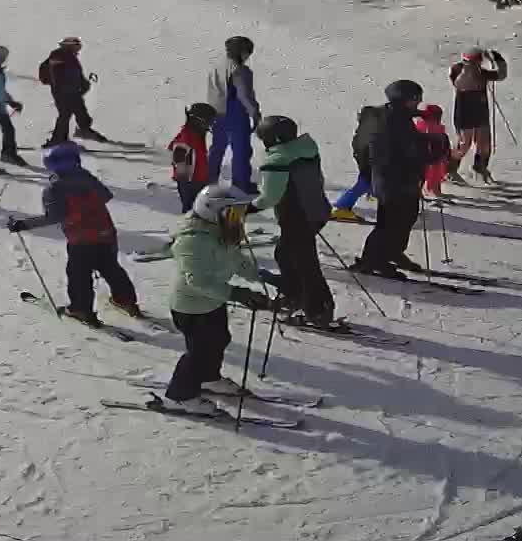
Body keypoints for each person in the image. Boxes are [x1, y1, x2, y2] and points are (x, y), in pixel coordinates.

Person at [153, 185, 269, 410]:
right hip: (190, 307)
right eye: (233, 213)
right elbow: (196, 281)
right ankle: (179, 396)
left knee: (219, 340)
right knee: (199, 353)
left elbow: (236, 260)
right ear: (212, 211)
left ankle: (209, 378)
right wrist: (237, 292)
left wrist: (264, 277)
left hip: (214, 301)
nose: (239, 219)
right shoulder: (193, 240)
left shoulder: (220, 230)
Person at [8, 142, 142, 326]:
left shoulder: (53, 189)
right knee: (112, 268)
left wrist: (23, 224)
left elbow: (54, 217)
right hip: (105, 232)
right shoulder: (86, 177)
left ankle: (81, 310)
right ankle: (126, 301)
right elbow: (106, 196)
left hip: (81, 239)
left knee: (79, 275)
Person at [355, 79, 447, 278]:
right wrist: (433, 151)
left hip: (401, 179)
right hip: (393, 180)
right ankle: (373, 260)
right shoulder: (391, 122)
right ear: (402, 100)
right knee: (390, 223)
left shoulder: (396, 115)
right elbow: (407, 152)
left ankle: (393, 252)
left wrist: (424, 120)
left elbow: (410, 137)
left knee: (407, 217)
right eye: (415, 100)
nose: (418, 103)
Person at [254, 116, 336, 327]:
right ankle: (295, 295)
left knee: (303, 262)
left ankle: (318, 309)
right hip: (316, 211)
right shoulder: (306, 149)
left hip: (296, 217)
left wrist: (245, 209)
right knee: (285, 254)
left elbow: (269, 197)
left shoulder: (278, 161)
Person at [207, 36, 261, 194]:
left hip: (216, 113)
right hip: (235, 113)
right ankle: (241, 184)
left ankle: (209, 181)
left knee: (217, 149)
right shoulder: (240, 70)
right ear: (241, 52)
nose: (248, 56)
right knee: (241, 151)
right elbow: (244, 95)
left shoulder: (216, 67)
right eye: (247, 53)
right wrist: (255, 113)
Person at [447, 48, 508, 183]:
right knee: (463, 144)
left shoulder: (481, 73)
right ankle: (450, 170)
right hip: (464, 114)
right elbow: (462, 83)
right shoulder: (457, 71)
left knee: (484, 144)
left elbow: (501, 75)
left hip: (481, 112)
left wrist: (498, 58)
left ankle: (480, 168)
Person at [40, 36, 104, 145]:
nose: (79, 48)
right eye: (77, 46)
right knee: (65, 114)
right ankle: (58, 139)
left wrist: (83, 84)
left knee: (80, 110)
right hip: (63, 92)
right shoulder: (58, 55)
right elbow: (61, 75)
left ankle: (84, 130)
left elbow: (76, 74)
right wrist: (75, 86)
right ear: (69, 46)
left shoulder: (69, 56)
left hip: (71, 90)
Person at [330, 103, 384, 223]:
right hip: (370, 165)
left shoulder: (365, 130)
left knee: (365, 184)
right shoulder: (369, 133)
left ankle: (342, 206)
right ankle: (342, 207)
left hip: (368, 163)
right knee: (363, 184)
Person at [169, 102, 218, 213]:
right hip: (192, 187)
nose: (210, 126)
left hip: (201, 183)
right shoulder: (185, 141)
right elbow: (183, 177)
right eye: (209, 122)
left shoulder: (197, 135)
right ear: (199, 121)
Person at [418, 104, 451, 199]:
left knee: (433, 173)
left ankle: (433, 190)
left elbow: (445, 145)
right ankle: (430, 190)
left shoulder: (439, 131)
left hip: (433, 158)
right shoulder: (422, 130)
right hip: (428, 158)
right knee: (428, 174)